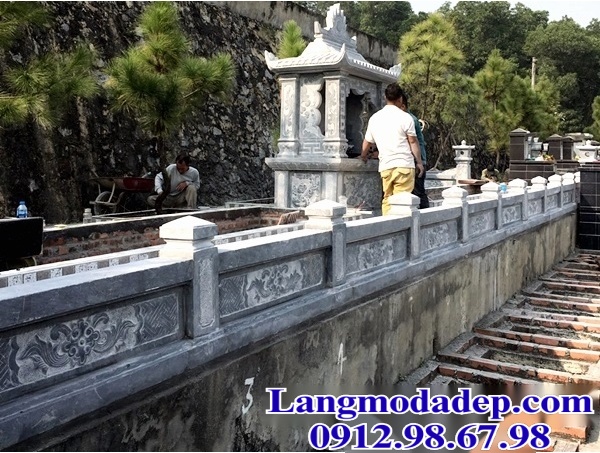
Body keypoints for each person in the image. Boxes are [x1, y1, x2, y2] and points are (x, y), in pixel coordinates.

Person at [360, 83, 424, 215]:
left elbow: (367, 142)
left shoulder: (375, 118)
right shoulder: (405, 117)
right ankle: (401, 227)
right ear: (400, 98)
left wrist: (363, 156)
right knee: (402, 201)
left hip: (386, 167)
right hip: (404, 165)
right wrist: (419, 162)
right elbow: (412, 141)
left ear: (385, 97)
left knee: (387, 199)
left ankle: (387, 224)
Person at [399, 94, 429, 209]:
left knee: (418, 192)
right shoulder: (407, 118)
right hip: (415, 159)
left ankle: (424, 216)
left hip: (416, 159)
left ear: (402, 106)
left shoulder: (409, 119)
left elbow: (412, 141)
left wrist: (418, 162)